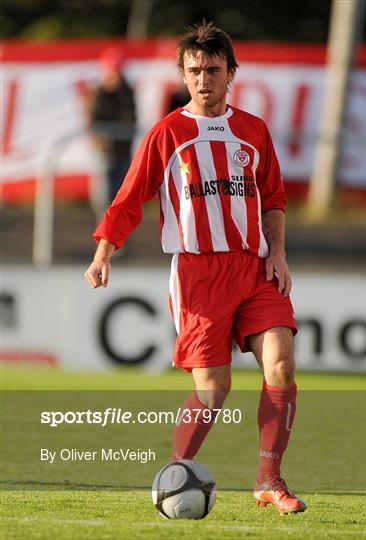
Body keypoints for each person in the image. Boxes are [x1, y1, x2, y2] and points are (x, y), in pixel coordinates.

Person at [84, 22, 307, 515]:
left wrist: (278, 252)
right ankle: (175, 474)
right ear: (183, 76)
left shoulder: (253, 131)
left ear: (231, 73)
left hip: (254, 268)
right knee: (213, 388)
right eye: (194, 70)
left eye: (212, 69)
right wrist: (103, 253)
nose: (203, 78)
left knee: (282, 364)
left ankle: (269, 479)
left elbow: (273, 197)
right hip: (198, 275)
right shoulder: (168, 134)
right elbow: (128, 199)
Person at [90, 47, 137, 204]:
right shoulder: (99, 93)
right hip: (106, 150)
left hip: (124, 150)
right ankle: (105, 225)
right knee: (105, 194)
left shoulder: (127, 92)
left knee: (123, 193)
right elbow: (95, 121)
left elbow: (131, 117)